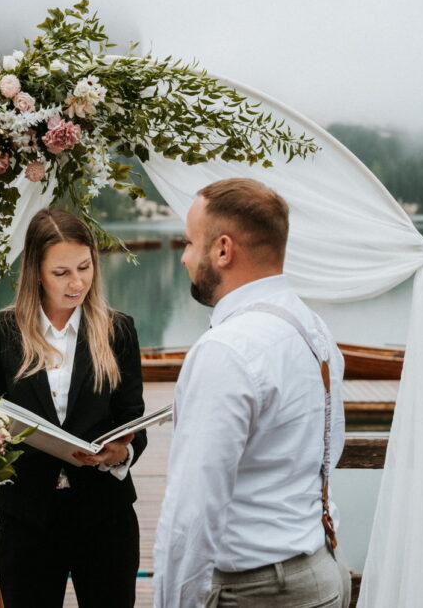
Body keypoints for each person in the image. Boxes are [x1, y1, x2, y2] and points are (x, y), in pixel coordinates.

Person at [152, 178, 351, 608]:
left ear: (223, 250)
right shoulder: (314, 328)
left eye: (189, 242)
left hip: (258, 592)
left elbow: (193, 511)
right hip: (322, 571)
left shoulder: (227, 350)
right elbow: (329, 451)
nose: (184, 257)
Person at [0, 208, 146, 608]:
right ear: (36, 272)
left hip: (105, 516)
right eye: (61, 272)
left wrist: (120, 453)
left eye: (85, 267)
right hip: (27, 519)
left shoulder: (118, 330)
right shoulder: (0, 332)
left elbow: (133, 421)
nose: (77, 282)